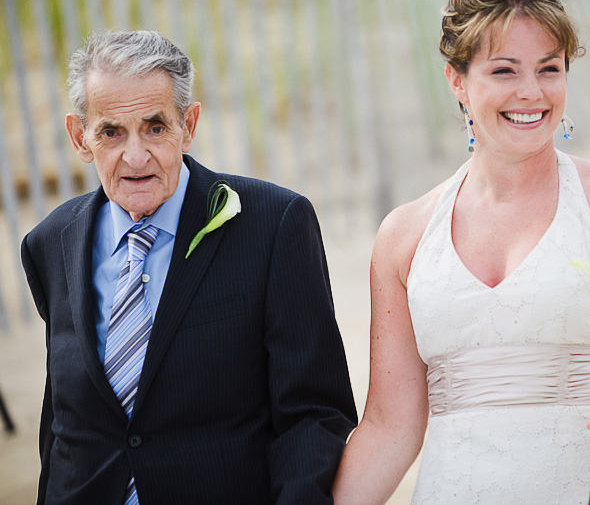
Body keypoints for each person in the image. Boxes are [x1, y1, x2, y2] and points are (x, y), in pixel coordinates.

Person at [333, 0, 590, 504]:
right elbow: (391, 426)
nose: (531, 93)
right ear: (457, 81)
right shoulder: (404, 236)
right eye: (504, 71)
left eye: (549, 69)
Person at [21, 30, 356, 505]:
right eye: (111, 132)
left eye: (155, 127)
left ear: (189, 125)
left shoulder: (275, 225)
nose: (135, 156)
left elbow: (314, 414)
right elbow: (64, 424)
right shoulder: (49, 242)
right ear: (80, 137)